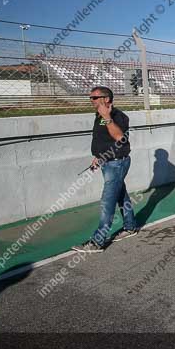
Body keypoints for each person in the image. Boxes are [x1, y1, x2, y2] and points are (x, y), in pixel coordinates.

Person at [73, 86, 138, 252]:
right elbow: (104, 139)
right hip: (107, 162)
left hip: (117, 163)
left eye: (95, 97)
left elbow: (119, 138)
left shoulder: (118, 116)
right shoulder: (98, 116)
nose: (92, 100)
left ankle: (97, 242)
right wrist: (98, 156)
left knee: (107, 203)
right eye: (91, 98)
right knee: (121, 196)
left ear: (106, 99)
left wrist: (107, 117)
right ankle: (130, 227)